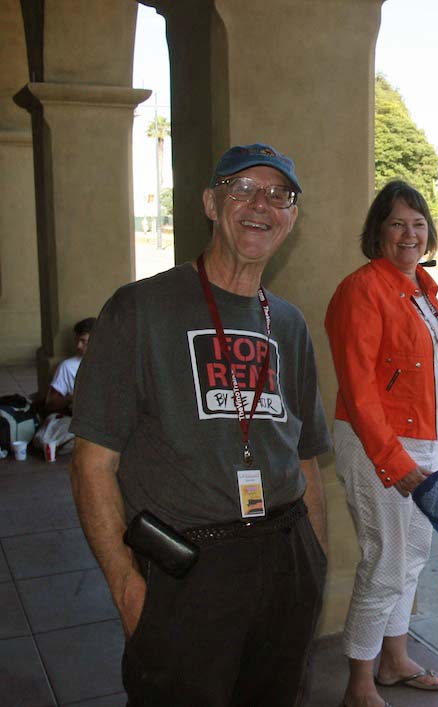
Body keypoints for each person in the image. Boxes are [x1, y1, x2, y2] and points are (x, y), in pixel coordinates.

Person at [70, 143, 331, 705]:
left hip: (284, 556)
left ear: (292, 216)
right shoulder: (140, 310)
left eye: (279, 194)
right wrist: (127, 588)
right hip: (186, 569)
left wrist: (313, 562)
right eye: (243, 189)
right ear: (211, 202)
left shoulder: (288, 324)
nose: (261, 204)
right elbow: (94, 464)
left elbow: (304, 452)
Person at [325, 180, 438, 707]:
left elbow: (428, 359)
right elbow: (358, 387)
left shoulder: (422, 287)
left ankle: (395, 660)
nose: (410, 233)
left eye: (418, 223)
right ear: (378, 231)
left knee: (413, 555)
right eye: (398, 223)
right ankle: (359, 684)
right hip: (375, 440)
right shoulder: (362, 289)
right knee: (386, 558)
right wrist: (390, 457)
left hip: (423, 435)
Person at [45, 317, 95, 415]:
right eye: (77, 340)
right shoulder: (67, 367)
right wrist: (72, 398)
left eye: (83, 341)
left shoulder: (113, 364)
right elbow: (50, 405)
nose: (78, 346)